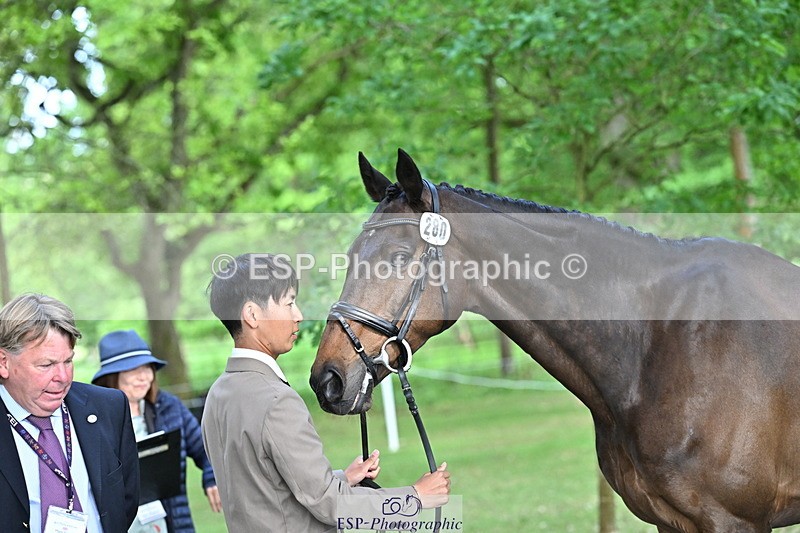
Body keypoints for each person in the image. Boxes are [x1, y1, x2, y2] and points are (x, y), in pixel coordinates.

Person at [202, 253, 451, 532]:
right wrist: (416, 496)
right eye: (289, 303)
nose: (298, 316)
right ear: (252, 315)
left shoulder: (218, 394)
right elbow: (331, 505)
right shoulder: (276, 401)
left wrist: (342, 478)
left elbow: (263, 488)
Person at [0, 293, 139, 533]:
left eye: (68, 361)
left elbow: (126, 500)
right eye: (46, 365)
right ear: (3, 363)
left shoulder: (109, 407)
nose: (63, 378)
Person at [92, 329, 221, 533]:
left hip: (171, 524)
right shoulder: (94, 419)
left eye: (148, 368)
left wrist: (211, 476)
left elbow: (207, 448)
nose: (144, 377)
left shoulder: (170, 407)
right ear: (112, 376)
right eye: (134, 369)